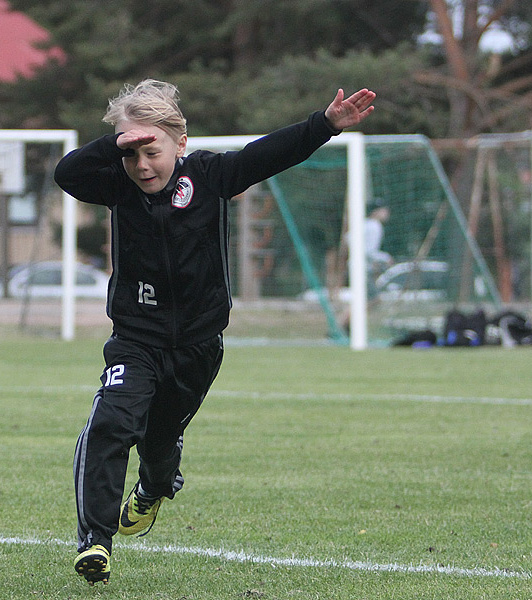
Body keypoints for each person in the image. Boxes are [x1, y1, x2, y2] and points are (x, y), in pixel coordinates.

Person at [54, 79, 375, 584]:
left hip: (198, 350)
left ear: (180, 143)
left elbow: (268, 154)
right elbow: (67, 173)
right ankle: (95, 540)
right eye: (129, 153)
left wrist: (325, 124)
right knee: (112, 423)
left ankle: (156, 487)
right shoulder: (117, 183)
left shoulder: (210, 175)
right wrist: (115, 142)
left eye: (151, 150)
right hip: (135, 340)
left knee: (159, 446)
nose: (141, 166)